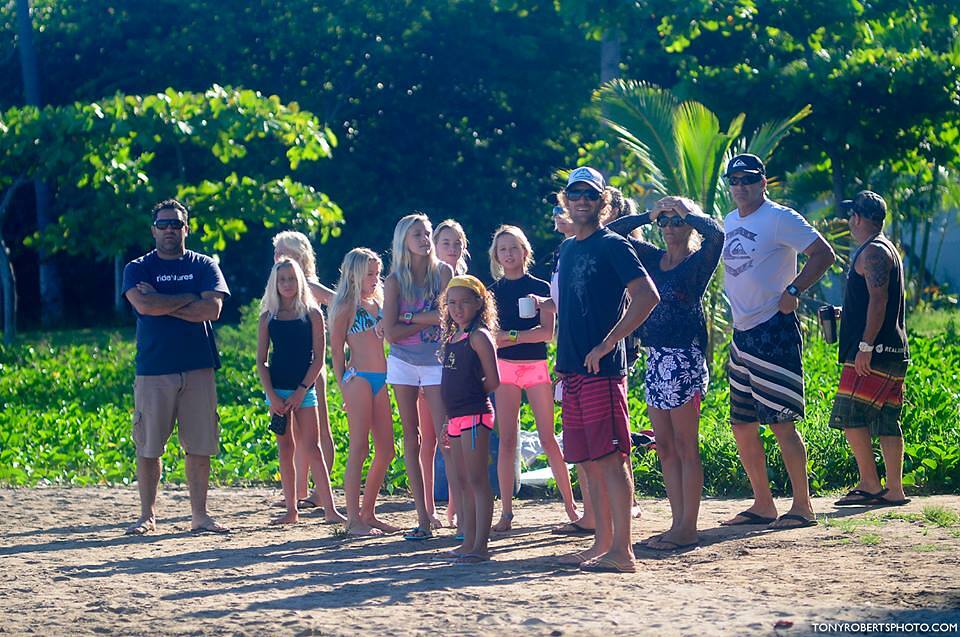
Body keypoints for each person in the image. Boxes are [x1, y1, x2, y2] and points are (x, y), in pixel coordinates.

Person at [719, 153, 836, 529]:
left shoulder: (779, 217)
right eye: (735, 180)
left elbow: (823, 253)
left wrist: (795, 288)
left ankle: (803, 506)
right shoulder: (729, 219)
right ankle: (763, 503)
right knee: (742, 423)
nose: (741, 186)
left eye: (748, 180)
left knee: (782, 423)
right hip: (741, 334)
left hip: (774, 328)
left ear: (763, 183)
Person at [554, 166, 660, 573]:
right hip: (573, 370)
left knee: (612, 458)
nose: (582, 201)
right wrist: (563, 365)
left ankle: (623, 552)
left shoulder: (613, 244)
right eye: (575, 194)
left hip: (603, 370)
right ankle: (601, 543)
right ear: (566, 200)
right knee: (588, 460)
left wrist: (609, 341)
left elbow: (646, 296)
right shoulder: (568, 248)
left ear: (602, 201)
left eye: (589, 195)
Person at [607, 196, 724, 550]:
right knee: (665, 447)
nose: (671, 228)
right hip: (656, 359)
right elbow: (611, 235)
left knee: (687, 446)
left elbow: (716, 234)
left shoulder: (696, 263)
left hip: (684, 358)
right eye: (666, 222)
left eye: (678, 222)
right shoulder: (653, 259)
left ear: (689, 225)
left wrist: (689, 213)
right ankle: (677, 524)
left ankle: (689, 527)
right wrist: (647, 214)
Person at [122, 198, 231, 535]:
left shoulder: (205, 265)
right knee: (149, 445)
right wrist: (189, 297)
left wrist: (162, 301)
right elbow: (143, 305)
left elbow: (211, 311)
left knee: (199, 445)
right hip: (154, 369)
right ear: (153, 229)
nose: (169, 230)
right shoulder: (137, 268)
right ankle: (147, 516)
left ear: (187, 228)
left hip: (198, 366)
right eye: (163, 224)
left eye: (176, 224)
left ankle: (200, 516)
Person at [488, 224, 578, 531]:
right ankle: (506, 514)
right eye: (503, 249)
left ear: (525, 251)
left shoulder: (540, 287)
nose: (509, 254)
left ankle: (571, 506)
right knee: (507, 441)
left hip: (536, 366)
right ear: (496, 256)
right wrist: (520, 336)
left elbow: (547, 334)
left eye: (514, 247)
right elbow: (492, 337)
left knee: (548, 438)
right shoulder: (493, 293)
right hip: (505, 371)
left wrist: (511, 335)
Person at [830, 191, 911, 507]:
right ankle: (894, 489)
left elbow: (880, 301)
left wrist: (865, 345)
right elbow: (873, 300)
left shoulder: (873, 252)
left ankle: (869, 483)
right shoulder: (886, 248)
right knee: (887, 420)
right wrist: (846, 312)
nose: (850, 221)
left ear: (859, 218)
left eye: (852, 215)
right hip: (893, 350)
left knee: (851, 416)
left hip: (873, 352)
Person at [382, 213, 458, 541]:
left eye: (427, 233)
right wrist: (423, 320)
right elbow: (392, 333)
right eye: (418, 234)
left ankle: (463, 516)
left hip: (436, 362)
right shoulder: (395, 280)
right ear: (404, 240)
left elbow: (446, 317)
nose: (425, 239)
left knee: (446, 436)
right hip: (402, 363)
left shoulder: (444, 272)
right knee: (411, 437)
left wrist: (410, 315)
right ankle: (423, 518)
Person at [256, 258, 344, 525]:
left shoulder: (313, 314)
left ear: (300, 281)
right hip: (278, 391)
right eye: (282, 279)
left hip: (304, 391)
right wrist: (272, 396)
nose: (287, 284)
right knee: (286, 448)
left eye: (292, 279)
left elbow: (318, 359)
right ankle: (291, 511)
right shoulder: (267, 317)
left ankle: (330, 510)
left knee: (313, 447)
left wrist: (301, 390)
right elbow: (261, 361)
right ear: (275, 283)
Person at [328, 248, 402, 534]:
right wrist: (343, 383)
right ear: (355, 274)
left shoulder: (379, 302)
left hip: (381, 378)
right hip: (358, 379)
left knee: (387, 449)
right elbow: (336, 351)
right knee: (359, 447)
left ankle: (368, 512)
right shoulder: (346, 305)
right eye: (369, 273)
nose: (375, 278)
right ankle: (352, 520)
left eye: (377, 273)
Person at [271, 231, 336, 511]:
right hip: (289, 369)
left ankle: (319, 494)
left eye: (285, 252)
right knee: (294, 437)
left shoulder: (307, 283)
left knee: (318, 433)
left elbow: (339, 300)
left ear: (300, 255)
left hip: (311, 369)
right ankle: (298, 492)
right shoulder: (281, 285)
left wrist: (341, 332)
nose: (279, 258)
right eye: (276, 253)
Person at [438, 275, 501, 562]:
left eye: (464, 302)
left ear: (479, 302)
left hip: (475, 416)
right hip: (456, 418)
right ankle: (468, 542)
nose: (458, 308)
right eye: (452, 303)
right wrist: (446, 422)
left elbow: (494, 380)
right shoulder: (453, 337)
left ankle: (481, 546)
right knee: (462, 480)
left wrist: (473, 401)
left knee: (477, 481)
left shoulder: (479, 336)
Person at [421, 218, 471, 528]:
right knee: (430, 438)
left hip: (459, 369)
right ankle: (429, 510)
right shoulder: (427, 278)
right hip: (426, 364)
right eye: (445, 243)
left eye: (457, 243)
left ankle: (457, 507)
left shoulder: (467, 281)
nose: (451, 249)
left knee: (457, 438)